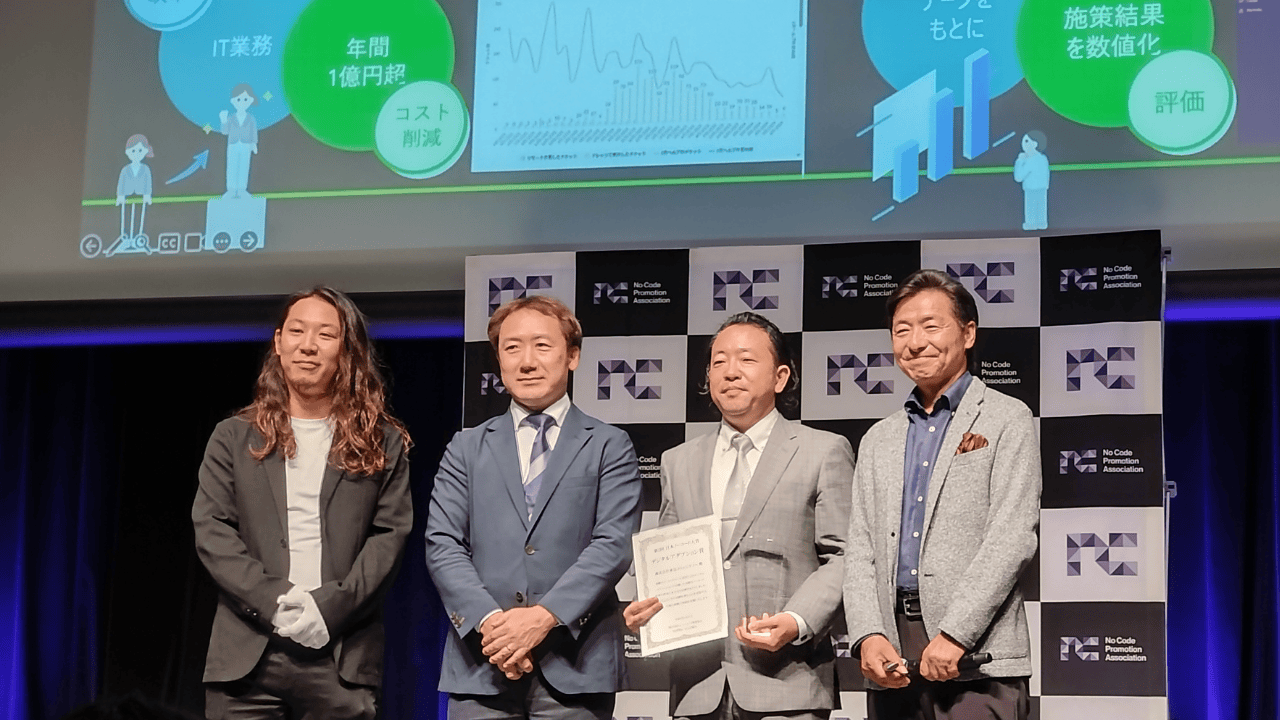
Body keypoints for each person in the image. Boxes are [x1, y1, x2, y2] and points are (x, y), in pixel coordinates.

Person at [192, 287, 412, 720]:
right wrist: (276, 600)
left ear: (346, 350)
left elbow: (389, 538)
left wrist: (327, 609)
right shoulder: (233, 437)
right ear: (278, 342)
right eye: (296, 331)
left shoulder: (381, 442)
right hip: (247, 656)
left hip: (340, 655)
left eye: (325, 334)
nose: (308, 345)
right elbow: (213, 532)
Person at [625, 312, 853, 720]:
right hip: (698, 687)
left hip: (789, 683)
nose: (730, 372)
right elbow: (667, 558)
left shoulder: (823, 451)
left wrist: (797, 620)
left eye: (746, 359)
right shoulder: (678, 461)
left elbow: (845, 556)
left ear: (780, 377)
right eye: (719, 362)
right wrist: (649, 608)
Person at [425, 295, 642, 720]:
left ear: (572, 356)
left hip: (576, 665)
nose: (527, 362)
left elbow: (613, 545)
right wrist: (494, 625)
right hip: (482, 662)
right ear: (499, 361)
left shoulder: (609, 445)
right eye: (512, 348)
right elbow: (442, 545)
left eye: (542, 346)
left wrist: (542, 619)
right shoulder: (466, 448)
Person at [843, 269, 1040, 720]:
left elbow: (1011, 537)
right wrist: (868, 634)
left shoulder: (1007, 418)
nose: (915, 342)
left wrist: (955, 634)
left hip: (978, 654)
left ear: (968, 334)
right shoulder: (878, 438)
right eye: (902, 330)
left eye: (931, 326)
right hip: (893, 655)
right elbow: (860, 549)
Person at [219, 83, 259, 198]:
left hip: (246, 145)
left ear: (250, 100)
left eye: (245, 99)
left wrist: (254, 143)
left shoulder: (251, 118)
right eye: (239, 99)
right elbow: (225, 131)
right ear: (233, 101)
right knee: (232, 166)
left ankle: (241, 189)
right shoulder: (231, 118)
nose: (242, 102)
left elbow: (253, 131)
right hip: (233, 144)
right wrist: (223, 120)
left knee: (244, 166)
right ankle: (231, 189)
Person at [1013, 131, 1049, 232]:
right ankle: (1042, 223)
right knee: (1041, 207)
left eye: (1026, 141)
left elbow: (1018, 177)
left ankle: (1031, 224)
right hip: (1042, 188)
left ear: (1035, 144)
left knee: (1031, 208)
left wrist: (1019, 161)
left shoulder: (1031, 160)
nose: (1023, 144)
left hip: (1031, 188)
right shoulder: (1043, 158)